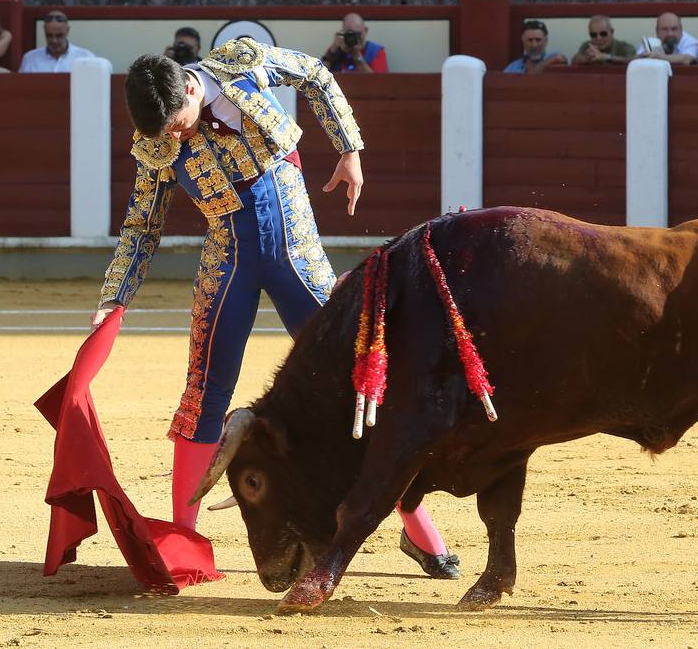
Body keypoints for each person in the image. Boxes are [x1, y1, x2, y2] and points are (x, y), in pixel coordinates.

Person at [92, 40, 460, 577]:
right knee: (203, 394)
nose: (175, 137)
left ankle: (419, 530)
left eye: (178, 123)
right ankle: (186, 546)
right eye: (166, 133)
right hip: (229, 265)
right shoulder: (157, 144)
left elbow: (315, 74)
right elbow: (142, 227)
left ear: (192, 88)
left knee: (364, 386)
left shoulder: (243, 64)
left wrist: (349, 148)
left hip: (300, 261)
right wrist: (114, 296)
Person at [20, 10, 95, 72]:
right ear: (44, 30)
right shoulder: (30, 59)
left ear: (67, 31)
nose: (54, 41)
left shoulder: (86, 57)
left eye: (59, 35)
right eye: (49, 35)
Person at [322, 11, 390, 71]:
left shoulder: (376, 51)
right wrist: (332, 50)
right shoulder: (336, 51)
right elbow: (318, 78)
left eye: (357, 34)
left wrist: (356, 55)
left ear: (365, 31)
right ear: (343, 33)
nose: (353, 38)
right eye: (349, 34)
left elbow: (377, 81)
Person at [571, 13, 635, 64]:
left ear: (612, 32)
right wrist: (586, 58)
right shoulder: (587, 46)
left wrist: (607, 57)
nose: (598, 38)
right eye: (593, 35)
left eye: (603, 34)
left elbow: (633, 61)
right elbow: (574, 61)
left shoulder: (624, 47)